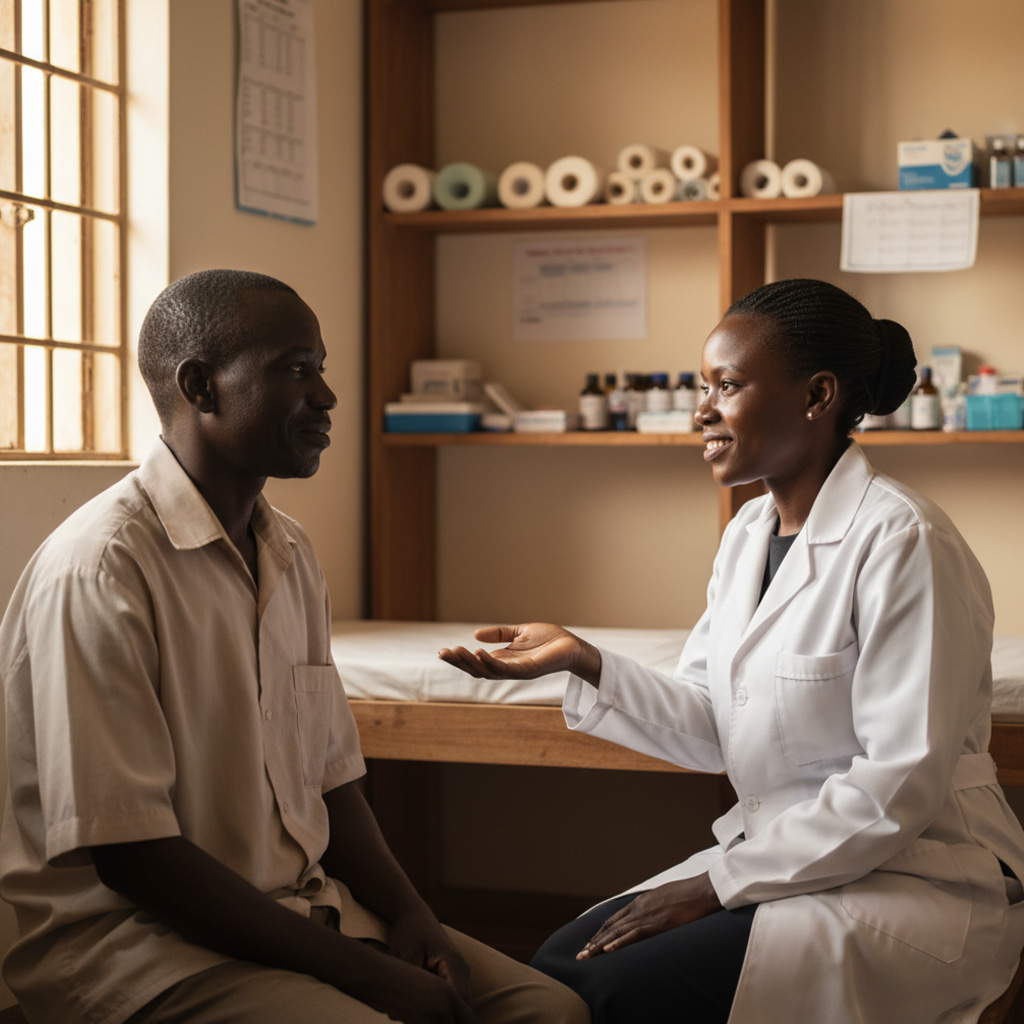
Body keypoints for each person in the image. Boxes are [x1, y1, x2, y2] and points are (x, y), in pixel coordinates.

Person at [0, 269, 589, 1024]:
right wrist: (369, 978)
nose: (327, 395)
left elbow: (333, 783)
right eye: (296, 368)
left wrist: (411, 915)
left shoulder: (289, 552)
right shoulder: (102, 568)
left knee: (552, 1011)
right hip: (137, 948)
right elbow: (135, 857)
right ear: (200, 387)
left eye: (322, 367)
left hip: (304, 911)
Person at [439, 278, 1024, 1024]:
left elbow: (899, 782)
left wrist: (715, 886)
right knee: (557, 968)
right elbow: (716, 723)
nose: (701, 410)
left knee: (615, 988)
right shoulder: (748, 535)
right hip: (791, 860)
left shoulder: (904, 540)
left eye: (728, 384)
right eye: (702, 384)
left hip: (916, 874)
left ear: (817, 395)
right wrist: (581, 658)